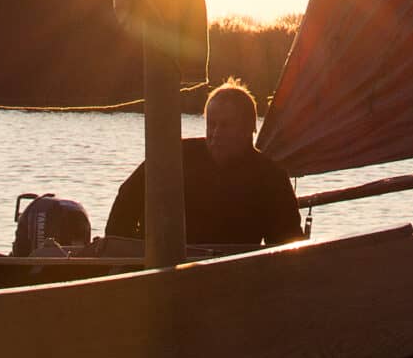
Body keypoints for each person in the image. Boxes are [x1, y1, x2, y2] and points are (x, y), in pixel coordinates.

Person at [103, 78, 303, 255]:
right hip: (165, 272)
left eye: (225, 125)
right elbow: (126, 201)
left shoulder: (271, 178)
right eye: (211, 124)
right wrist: (127, 256)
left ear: (250, 127)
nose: (215, 134)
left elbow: (287, 246)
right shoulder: (173, 157)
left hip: (235, 278)